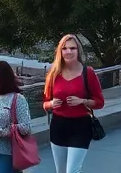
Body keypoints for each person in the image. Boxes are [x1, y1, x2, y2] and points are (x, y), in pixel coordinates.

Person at [42, 34, 105, 173]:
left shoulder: (88, 73)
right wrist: (51, 104)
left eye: (72, 48)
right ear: (60, 51)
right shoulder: (53, 74)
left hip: (81, 126)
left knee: (72, 171)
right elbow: (45, 104)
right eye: (64, 48)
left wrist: (83, 101)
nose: (68, 52)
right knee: (61, 171)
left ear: (78, 51)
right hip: (58, 126)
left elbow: (100, 102)